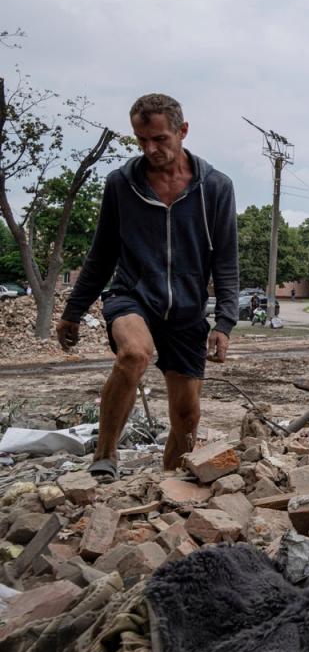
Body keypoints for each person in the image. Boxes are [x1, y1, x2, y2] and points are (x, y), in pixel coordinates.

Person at [57, 93, 239, 480]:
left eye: (160, 139)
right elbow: (101, 254)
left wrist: (224, 322)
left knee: (187, 418)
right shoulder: (122, 184)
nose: (150, 149)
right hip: (133, 295)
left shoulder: (216, 188)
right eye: (141, 141)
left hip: (188, 311)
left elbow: (225, 260)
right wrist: (73, 311)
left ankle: (171, 484)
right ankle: (105, 456)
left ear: (183, 131)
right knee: (135, 354)